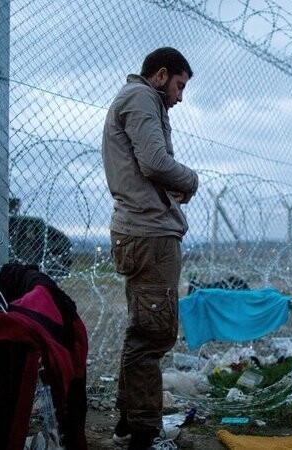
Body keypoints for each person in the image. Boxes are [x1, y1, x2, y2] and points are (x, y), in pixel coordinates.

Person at [101, 47, 199, 450]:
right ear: (160, 75)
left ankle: (131, 418)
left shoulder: (140, 99)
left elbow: (150, 166)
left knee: (144, 330)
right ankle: (144, 431)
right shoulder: (142, 97)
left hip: (145, 229)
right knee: (153, 335)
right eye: (179, 85)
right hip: (148, 232)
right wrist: (190, 180)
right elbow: (155, 162)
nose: (180, 96)